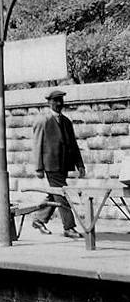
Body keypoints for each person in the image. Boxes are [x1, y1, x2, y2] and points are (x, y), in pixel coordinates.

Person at [31, 90, 86, 239]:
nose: (59, 103)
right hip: (50, 165)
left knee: (55, 194)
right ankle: (69, 227)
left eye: (61, 100)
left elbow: (73, 145)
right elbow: (37, 145)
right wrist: (38, 167)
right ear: (49, 102)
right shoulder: (43, 120)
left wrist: (80, 165)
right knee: (63, 194)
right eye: (55, 100)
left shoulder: (67, 122)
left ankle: (39, 220)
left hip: (63, 165)